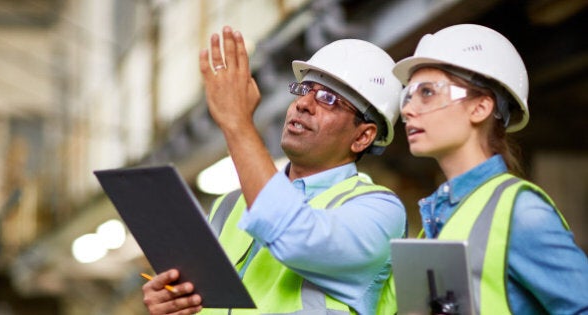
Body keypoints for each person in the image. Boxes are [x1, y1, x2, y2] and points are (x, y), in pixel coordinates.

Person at [142, 26, 406, 315]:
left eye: (328, 99)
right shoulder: (229, 206)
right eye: (305, 90)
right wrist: (173, 301)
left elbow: (297, 238)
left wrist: (238, 123)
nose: (304, 104)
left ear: (362, 137)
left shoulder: (378, 212)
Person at [380, 24, 588, 314]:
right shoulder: (440, 215)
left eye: (427, 92)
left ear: (480, 108)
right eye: (408, 96)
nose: (408, 109)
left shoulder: (522, 213)